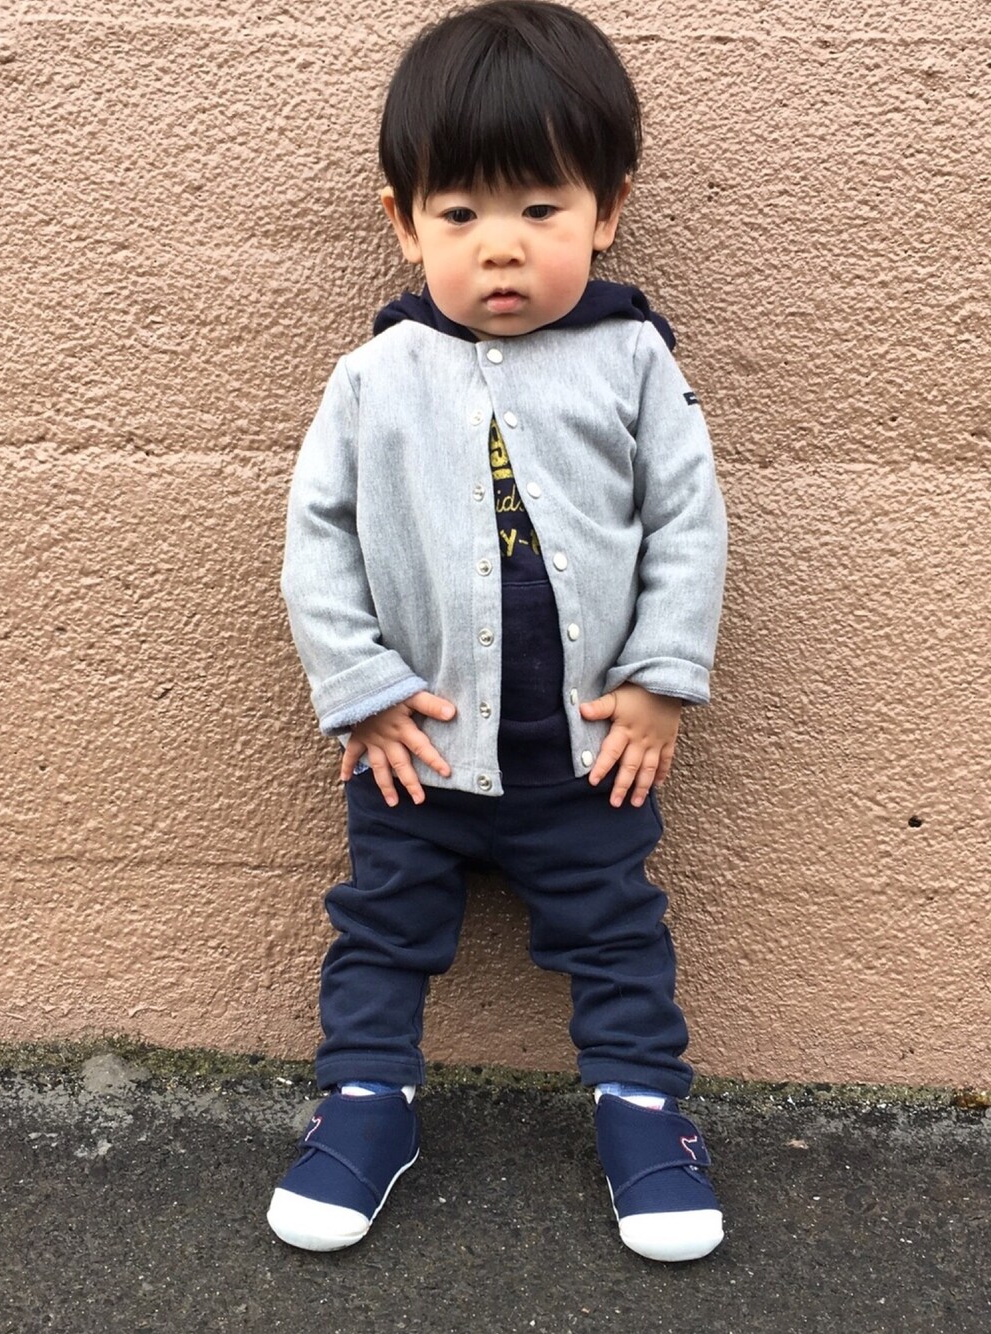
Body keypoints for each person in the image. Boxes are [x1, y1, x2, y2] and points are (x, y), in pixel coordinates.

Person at [270, 0, 728, 1263]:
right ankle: (366, 1100)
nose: (502, 248)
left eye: (541, 208)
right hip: (413, 747)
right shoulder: (375, 377)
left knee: (618, 931)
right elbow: (318, 541)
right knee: (379, 924)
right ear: (404, 222)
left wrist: (660, 680)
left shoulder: (633, 360)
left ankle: (643, 1111)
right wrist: (361, 688)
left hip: (587, 752)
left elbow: (688, 522)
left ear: (608, 209)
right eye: (461, 214)